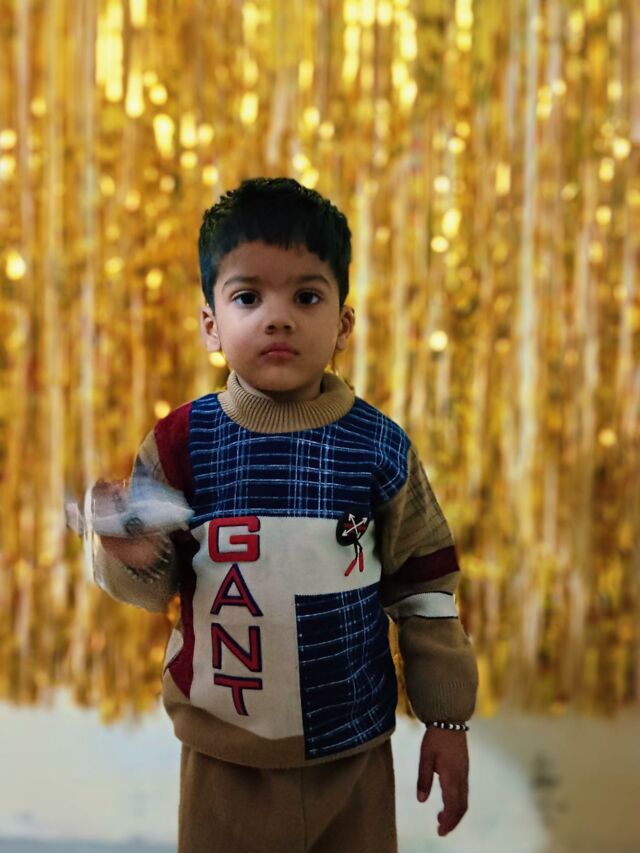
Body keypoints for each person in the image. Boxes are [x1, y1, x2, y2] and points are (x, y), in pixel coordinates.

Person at [95, 177, 478, 853]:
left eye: (306, 296)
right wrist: (131, 554)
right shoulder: (180, 443)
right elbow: (154, 587)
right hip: (223, 759)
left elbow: (426, 590)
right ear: (211, 323)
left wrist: (447, 720)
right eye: (248, 296)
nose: (278, 318)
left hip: (351, 755)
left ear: (343, 324)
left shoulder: (378, 447)